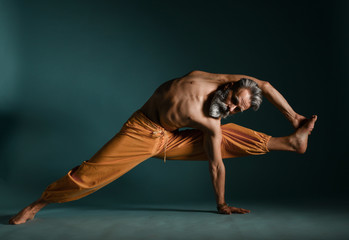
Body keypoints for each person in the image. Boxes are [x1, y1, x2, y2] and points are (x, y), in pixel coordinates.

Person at [9, 70, 317, 225]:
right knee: (92, 173)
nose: (231, 109)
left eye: (238, 109)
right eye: (234, 102)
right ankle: (39, 203)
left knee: (228, 135)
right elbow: (214, 165)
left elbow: (262, 86)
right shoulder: (204, 101)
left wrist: (293, 117)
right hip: (142, 132)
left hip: (172, 137)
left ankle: (292, 141)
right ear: (227, 87)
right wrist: (222, 205)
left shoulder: (219, 103)